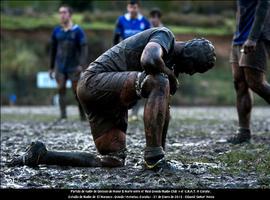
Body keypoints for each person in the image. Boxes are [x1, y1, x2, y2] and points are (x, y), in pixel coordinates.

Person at [8, 27, 216, 171]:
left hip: (109, 99)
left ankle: (42, 155)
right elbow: (148, 59)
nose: (190, 74)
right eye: (193, 69)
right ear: (188, 56)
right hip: (94, 82)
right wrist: (169, 76)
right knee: (160, 81)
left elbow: (164, 111)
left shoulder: (168, 67)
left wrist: (162, 152)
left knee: (113, 161)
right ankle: (153, 157)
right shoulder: (165, 36)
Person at [228, 0, 270, 144]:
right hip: (238, 38)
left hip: (256, 37)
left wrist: (253, 38)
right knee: (239, 83)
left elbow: (264, 4)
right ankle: (243, 132)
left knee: (256, 83)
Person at [113, 0, 151, 121]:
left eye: (134, 7)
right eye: (130, 7)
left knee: (138, 82)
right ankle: (123, 110)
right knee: (124, 82)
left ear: (138, 8)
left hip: (140, 57)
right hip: (125, 57)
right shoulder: (121, 20)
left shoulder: (144, 22)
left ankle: (135, 113)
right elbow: (116, 38)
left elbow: (150, 38)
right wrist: (115, 53)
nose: (132, 9)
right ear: (127, 7)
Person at [49, 5, 88, 121]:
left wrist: (82, 65)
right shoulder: (56, 31)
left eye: (64, 12)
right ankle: (63, 116)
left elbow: (84, 48)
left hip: (74, 67)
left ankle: (82, 116)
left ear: (70, 15)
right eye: (60, 13)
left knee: (77, 92)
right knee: (60, 88)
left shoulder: (78, 31)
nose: (62, 15)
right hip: (60, 67)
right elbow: (53, 50)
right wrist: (51, 67)